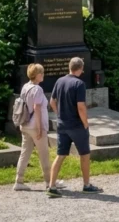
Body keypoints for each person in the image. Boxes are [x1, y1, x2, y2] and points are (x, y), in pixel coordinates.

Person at [48, 57, 101, 197]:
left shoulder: (60, 81)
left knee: (60, 155)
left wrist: (59, 114)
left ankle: (52, 186)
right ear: (81, 68)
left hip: (62, 124)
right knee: (84, 155)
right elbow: (81, 106)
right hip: (76, 125)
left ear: (70, 67)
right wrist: (85, 123)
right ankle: (86, 185)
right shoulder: (79, 84)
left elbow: (52, 101)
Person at [13, 64, 64, 192]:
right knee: (44, 154)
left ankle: (18, 181)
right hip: (35, 127)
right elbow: (37, 108)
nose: (43, 75)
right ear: (37, 75)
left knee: (25, 153)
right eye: (41, 73)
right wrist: (40, 128)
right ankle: (49, 182)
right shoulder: (38, 89)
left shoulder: (25, 87)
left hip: (25, 125)